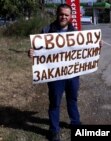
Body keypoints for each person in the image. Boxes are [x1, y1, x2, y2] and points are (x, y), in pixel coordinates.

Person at [28, 4, 81, 141]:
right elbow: (37, 49)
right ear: (57, 15)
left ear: (70, 17)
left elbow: (86, 49)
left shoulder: (76, 32)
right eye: (61, 14)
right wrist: (32, 52)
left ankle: (75, 123)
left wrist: (96, 45)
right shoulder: (46, 31)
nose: (64, 17)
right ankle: (54, 129)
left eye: (66, 15)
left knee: (72, 99)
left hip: (72, 74)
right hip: (55, 75)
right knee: (55, 102)